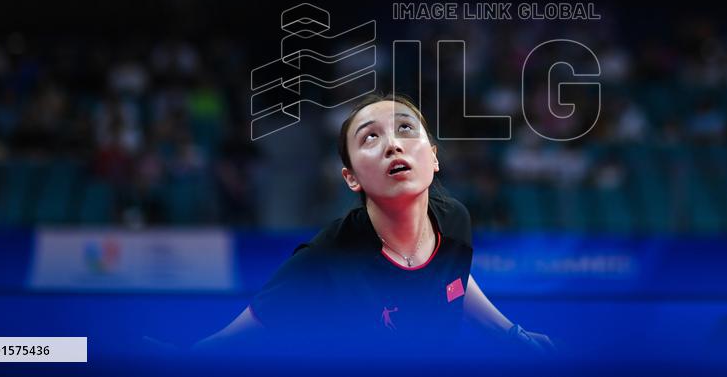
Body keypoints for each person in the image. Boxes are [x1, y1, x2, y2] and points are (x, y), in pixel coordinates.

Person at [195, 93, 555, 359]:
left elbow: (454, 280)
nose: (393, 145)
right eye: (370, 137)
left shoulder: (455, 220)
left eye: (405, 129)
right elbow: (242, 331)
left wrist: (513, 333)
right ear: (351, 178)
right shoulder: (327, 256)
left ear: (433, 157)